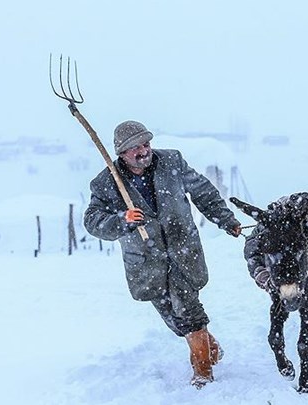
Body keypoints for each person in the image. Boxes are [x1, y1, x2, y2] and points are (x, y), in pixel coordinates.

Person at [83, 120, 242, 388]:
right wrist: (122, 219)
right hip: (147, 262)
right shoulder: (106, 183)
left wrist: (226, 220)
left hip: (183, 252)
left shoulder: (172, 162)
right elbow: (92, 220)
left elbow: (203, 192)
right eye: (135, 148)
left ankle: (202, 371)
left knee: (189, 311)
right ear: (122, 153)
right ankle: (210, 348)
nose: (144, 151)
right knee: (174, 318)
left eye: (146, 144)